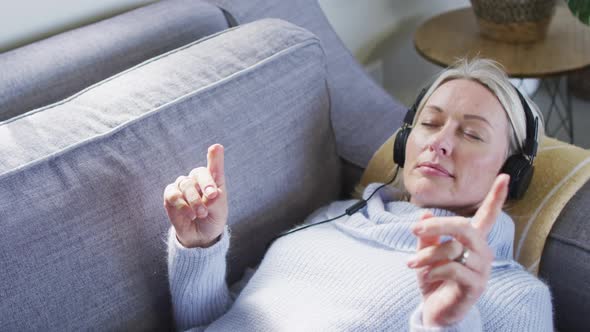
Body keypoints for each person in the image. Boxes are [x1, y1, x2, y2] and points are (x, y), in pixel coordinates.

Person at [163, 58, 553, 331]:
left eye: (471, 133)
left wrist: (447, 324)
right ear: (404, 142)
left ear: (511, 171)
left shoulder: (515, 298)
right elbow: (215, 323)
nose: (439, 143)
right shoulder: (333, 217)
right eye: (430, 123)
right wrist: (200, 247)